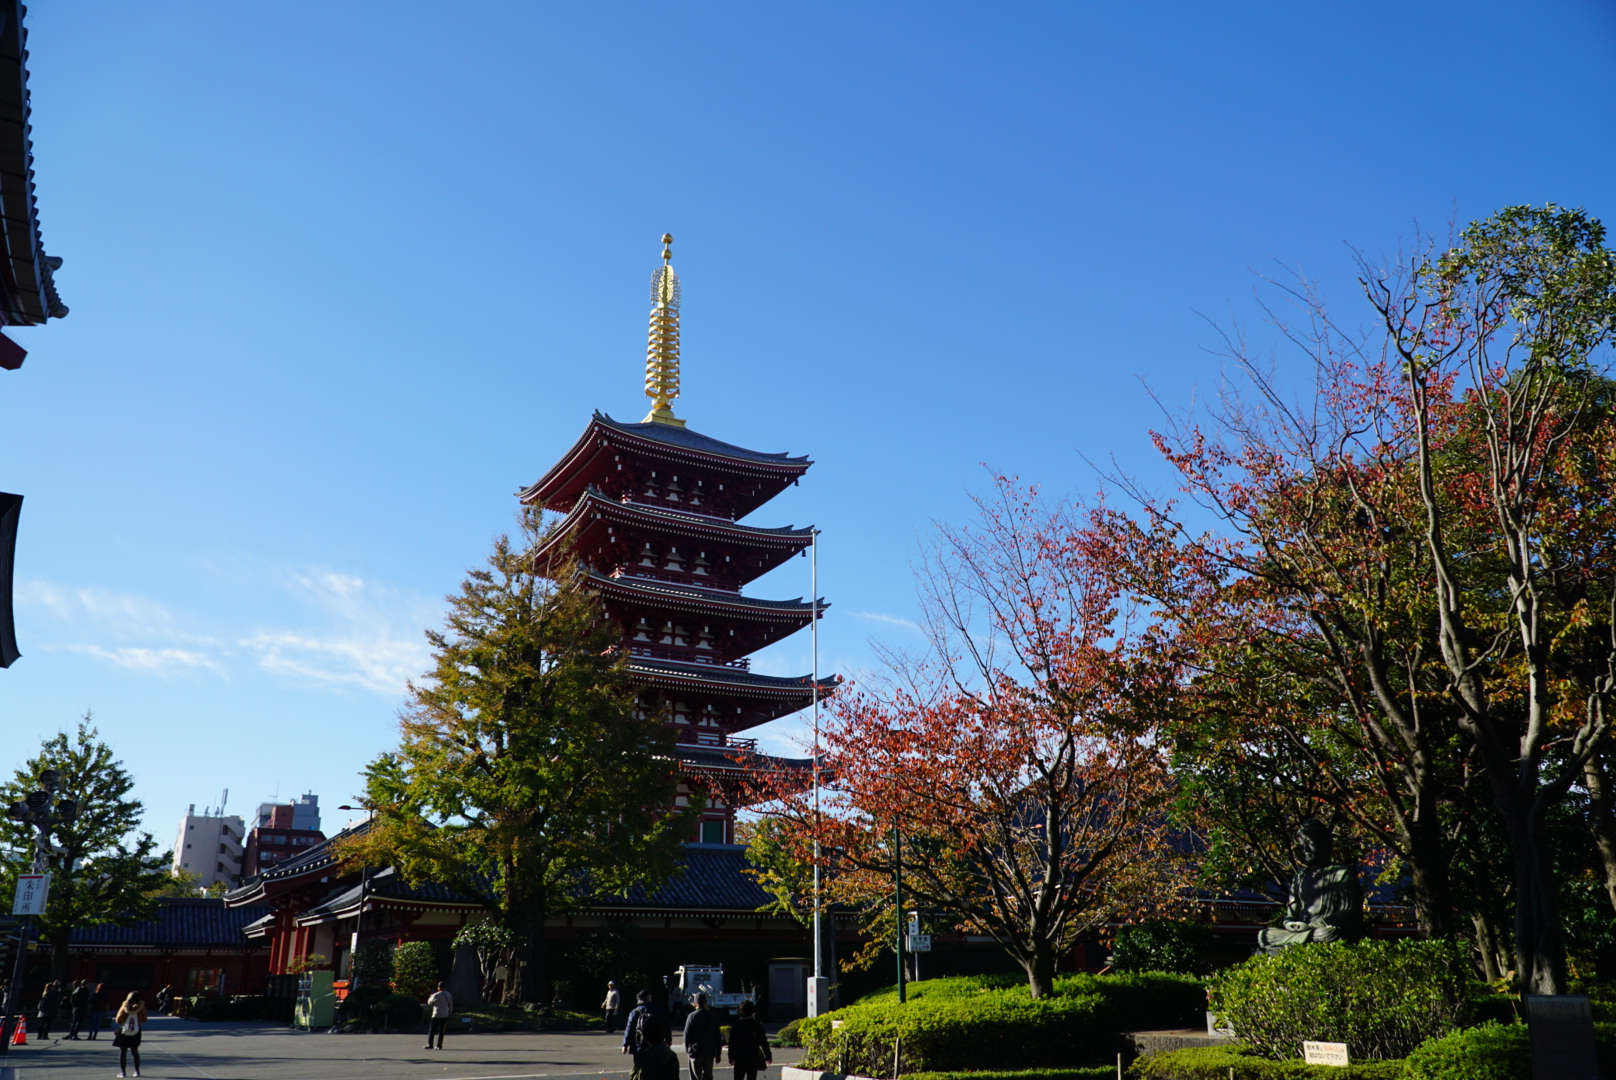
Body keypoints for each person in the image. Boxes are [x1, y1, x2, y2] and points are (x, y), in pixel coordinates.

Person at [1257, 818, 1365, 954]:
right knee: (1264, 935)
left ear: (1323, 844)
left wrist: (1312, 925)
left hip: (1323, 929)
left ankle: (1304, 937)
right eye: (1302, 845)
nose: (1306, 849)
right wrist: (1290, 923)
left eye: (1310, 843)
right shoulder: (1300, 876)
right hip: (1302, 931)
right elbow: (1292, 913)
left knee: (1330, 933)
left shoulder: (1342, 874)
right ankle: (1301, 938)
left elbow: (1348, 913)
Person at [621, 989, 676, 1080]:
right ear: (649, 998)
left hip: (639, 1046)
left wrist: (625, 1044)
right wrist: (668, 1039)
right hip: (657, 1044)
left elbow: (629, 1029)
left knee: (640, 1068)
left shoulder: (635, 1012)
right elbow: (666, 1026)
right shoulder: (659, 1010)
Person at [682, 992, 723, 1080]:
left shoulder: (691, 1016)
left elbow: (686, 1035)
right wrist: (718, 1053)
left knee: (695, 1076)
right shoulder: (713, 1016)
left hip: (695, 1050)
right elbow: (717, 1036)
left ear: (695, 1003)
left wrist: (687, 1049)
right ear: (705, 1002)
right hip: (709, 1050)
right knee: (708, 1076)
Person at [727, 999, 772, 1080]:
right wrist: (768, 1055)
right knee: (752, 1077)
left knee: (738, 1077)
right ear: (752, 1011)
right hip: (753, 1056)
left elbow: (732, 1042)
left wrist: (731, 1056)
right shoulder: (756, 1025)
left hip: (739, 1056)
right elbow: (763, 1041)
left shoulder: (736, 1025)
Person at [113, 991, 148, 1078]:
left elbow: (118, 1019)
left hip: (124, 1030)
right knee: (135, 1051)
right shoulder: (141, 1007)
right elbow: (144, 1019)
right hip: (136, 1030)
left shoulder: (125, 1006)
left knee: (123, 1052)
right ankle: (137, 1071)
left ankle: (123, 1072)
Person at [424, 981, 453, 1050]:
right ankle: (439, 1045)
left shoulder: (436, 995)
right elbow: (451, 1004)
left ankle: (430, 1044)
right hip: (445, 1014)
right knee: (441, 1030)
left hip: (436, 1014)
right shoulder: (449, 994)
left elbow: (429, 1002)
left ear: (438, 987)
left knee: (432, 1030)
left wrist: (431, 995)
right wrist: (450, 1012)